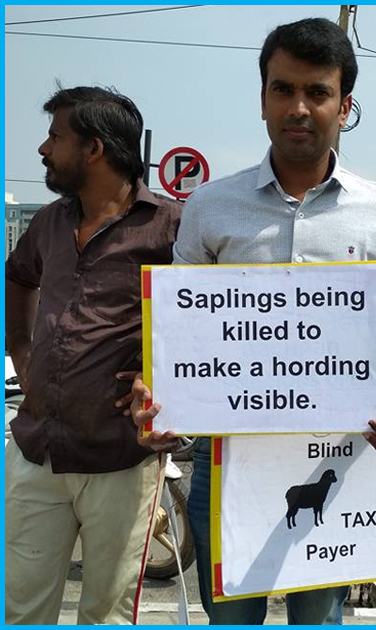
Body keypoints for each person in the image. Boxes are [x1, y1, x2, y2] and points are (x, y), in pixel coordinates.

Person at [129, 18, 376, 625]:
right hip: (227, 471)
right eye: (282, 89)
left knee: (320, 622)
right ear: (263, 99)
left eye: (317, 93)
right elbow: (179, 334)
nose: (299, 107)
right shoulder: (212, 207)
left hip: (338, 463)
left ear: (345, 106)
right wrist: (159, 399)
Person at [5, 86, 182, 625]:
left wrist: (161, 377)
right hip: (38, 449)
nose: (42, 149)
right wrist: (21, 349)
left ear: (95, 150)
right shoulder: (50, 223)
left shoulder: (170, 229)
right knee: (20, 608)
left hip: (120, 458)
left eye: (55, 137)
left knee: (106, 613)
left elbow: (207, 320)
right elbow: (16, 277)